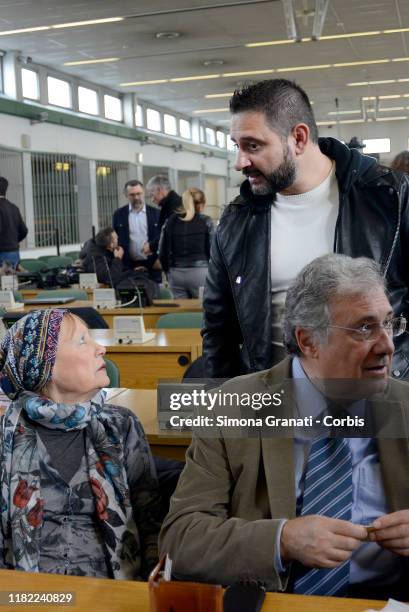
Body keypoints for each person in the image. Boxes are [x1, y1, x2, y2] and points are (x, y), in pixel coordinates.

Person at [160, 254, 409, 600]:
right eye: (365, 328)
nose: (388, 346)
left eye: (390, 323)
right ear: (308, 341)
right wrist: (282, 540)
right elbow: (180, 539)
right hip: (273, 601)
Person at [202, 79, 409, 380]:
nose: (239, 162)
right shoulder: (237, 223)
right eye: (237, 146)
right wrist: (224, 409)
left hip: (379, 399)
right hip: (277, 407)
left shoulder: (393, 198)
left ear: (298, 138)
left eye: (253, 146)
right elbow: (218, 331)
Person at [0, 309, 163, 578]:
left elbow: (152, 526)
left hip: (116, 594)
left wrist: (144, 594)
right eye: (82, 341)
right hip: (27, 596)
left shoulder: (121, 426)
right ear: (44, 364)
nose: (102, 348)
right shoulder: (6, 438)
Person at [159, 188, 214, 299]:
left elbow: (162, 252)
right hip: (201, 273)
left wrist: (168, 272)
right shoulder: (206, 221)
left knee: (180, 312)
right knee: (204, 312)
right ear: (202, 204)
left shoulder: (170, 221)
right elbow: (214, 250)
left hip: (176, 274)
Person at [112, 180, 161, 283]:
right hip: (128, 267)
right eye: (132, 195)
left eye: (139, 194)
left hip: (153, 266)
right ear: (126, 195)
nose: (136, 198)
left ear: (144, 193)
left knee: (156, 297)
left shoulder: (157, 214)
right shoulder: (119, 215)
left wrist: (160, 259)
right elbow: (114, 240)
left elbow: (163, 238)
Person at [0, 176, 28, 269]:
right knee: (12, 282)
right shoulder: (14, 208)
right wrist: (13, 241)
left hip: (1, 255)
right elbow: (24, 230)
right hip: (14, 253)